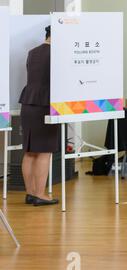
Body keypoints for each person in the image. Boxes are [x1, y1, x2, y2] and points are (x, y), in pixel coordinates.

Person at [19, 26, 59, 206]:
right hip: (44, 104)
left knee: (29, 151)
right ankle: (41, 194)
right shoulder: (56, 54)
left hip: (28, 104)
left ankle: (30, 193)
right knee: (44, 151)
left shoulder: (32, 52)